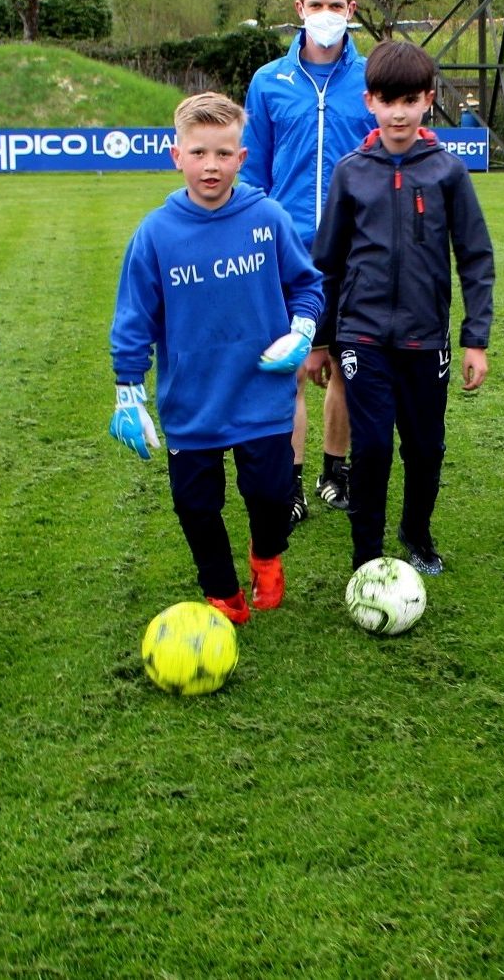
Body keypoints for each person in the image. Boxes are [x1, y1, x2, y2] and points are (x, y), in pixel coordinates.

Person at [109, 92, 324, 624]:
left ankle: (266, 555)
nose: (212, 166)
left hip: (262, 394)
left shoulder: (268, 217)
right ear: (176, 154)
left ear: (242, 158)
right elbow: (133, 319)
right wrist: (128, 392)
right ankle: (222, 592)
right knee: (196, 507)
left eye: (223, 154)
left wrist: (301, 329)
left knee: (271, 495)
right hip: (193, 401)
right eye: (200, 153)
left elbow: (307, 285)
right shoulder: (155, 234)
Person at [305, 40, 495, 575]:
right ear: (370, 101)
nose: (398, 112)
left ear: (428, 101)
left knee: (425, 448)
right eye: (388, 100)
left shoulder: (447, 173)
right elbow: (328, 264)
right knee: (370, 449)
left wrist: (475, 338)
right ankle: (366, 553)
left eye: (409, 100)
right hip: (361, 339)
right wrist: (321, 341)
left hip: (425, 339)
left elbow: (475, 257)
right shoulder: (351, 171)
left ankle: (417, 534)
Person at [243, 0, 377, 526]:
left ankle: (335, 472)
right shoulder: (268, 81)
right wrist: (260, 233)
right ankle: (290, 482)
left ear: (351, 12)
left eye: (337, 5)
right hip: (290, 254)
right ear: (299, 11)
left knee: (348, 367)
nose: (326, 15)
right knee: (290, 369)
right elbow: (253, 171)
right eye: (316, 5)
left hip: (357, 250)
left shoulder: (371, 78)